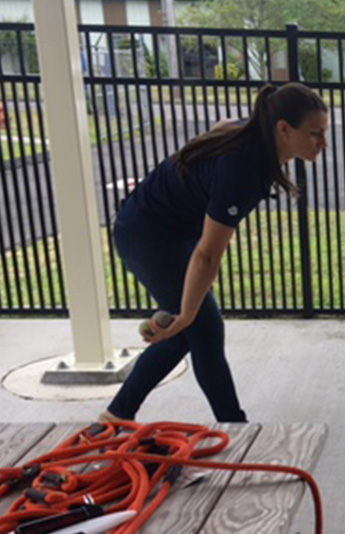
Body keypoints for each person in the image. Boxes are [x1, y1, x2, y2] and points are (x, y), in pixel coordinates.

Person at [100, 82, 329, 423]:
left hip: (167, 230)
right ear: (283, 129)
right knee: (198, 327)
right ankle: (231, 425)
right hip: (147, 235)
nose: (323, 143)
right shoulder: (243, 169)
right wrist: (187, 313)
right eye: (314, 134)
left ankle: (118, 415)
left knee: (191, 329)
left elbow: (222, 125)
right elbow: (207, 257)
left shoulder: (251, 133)